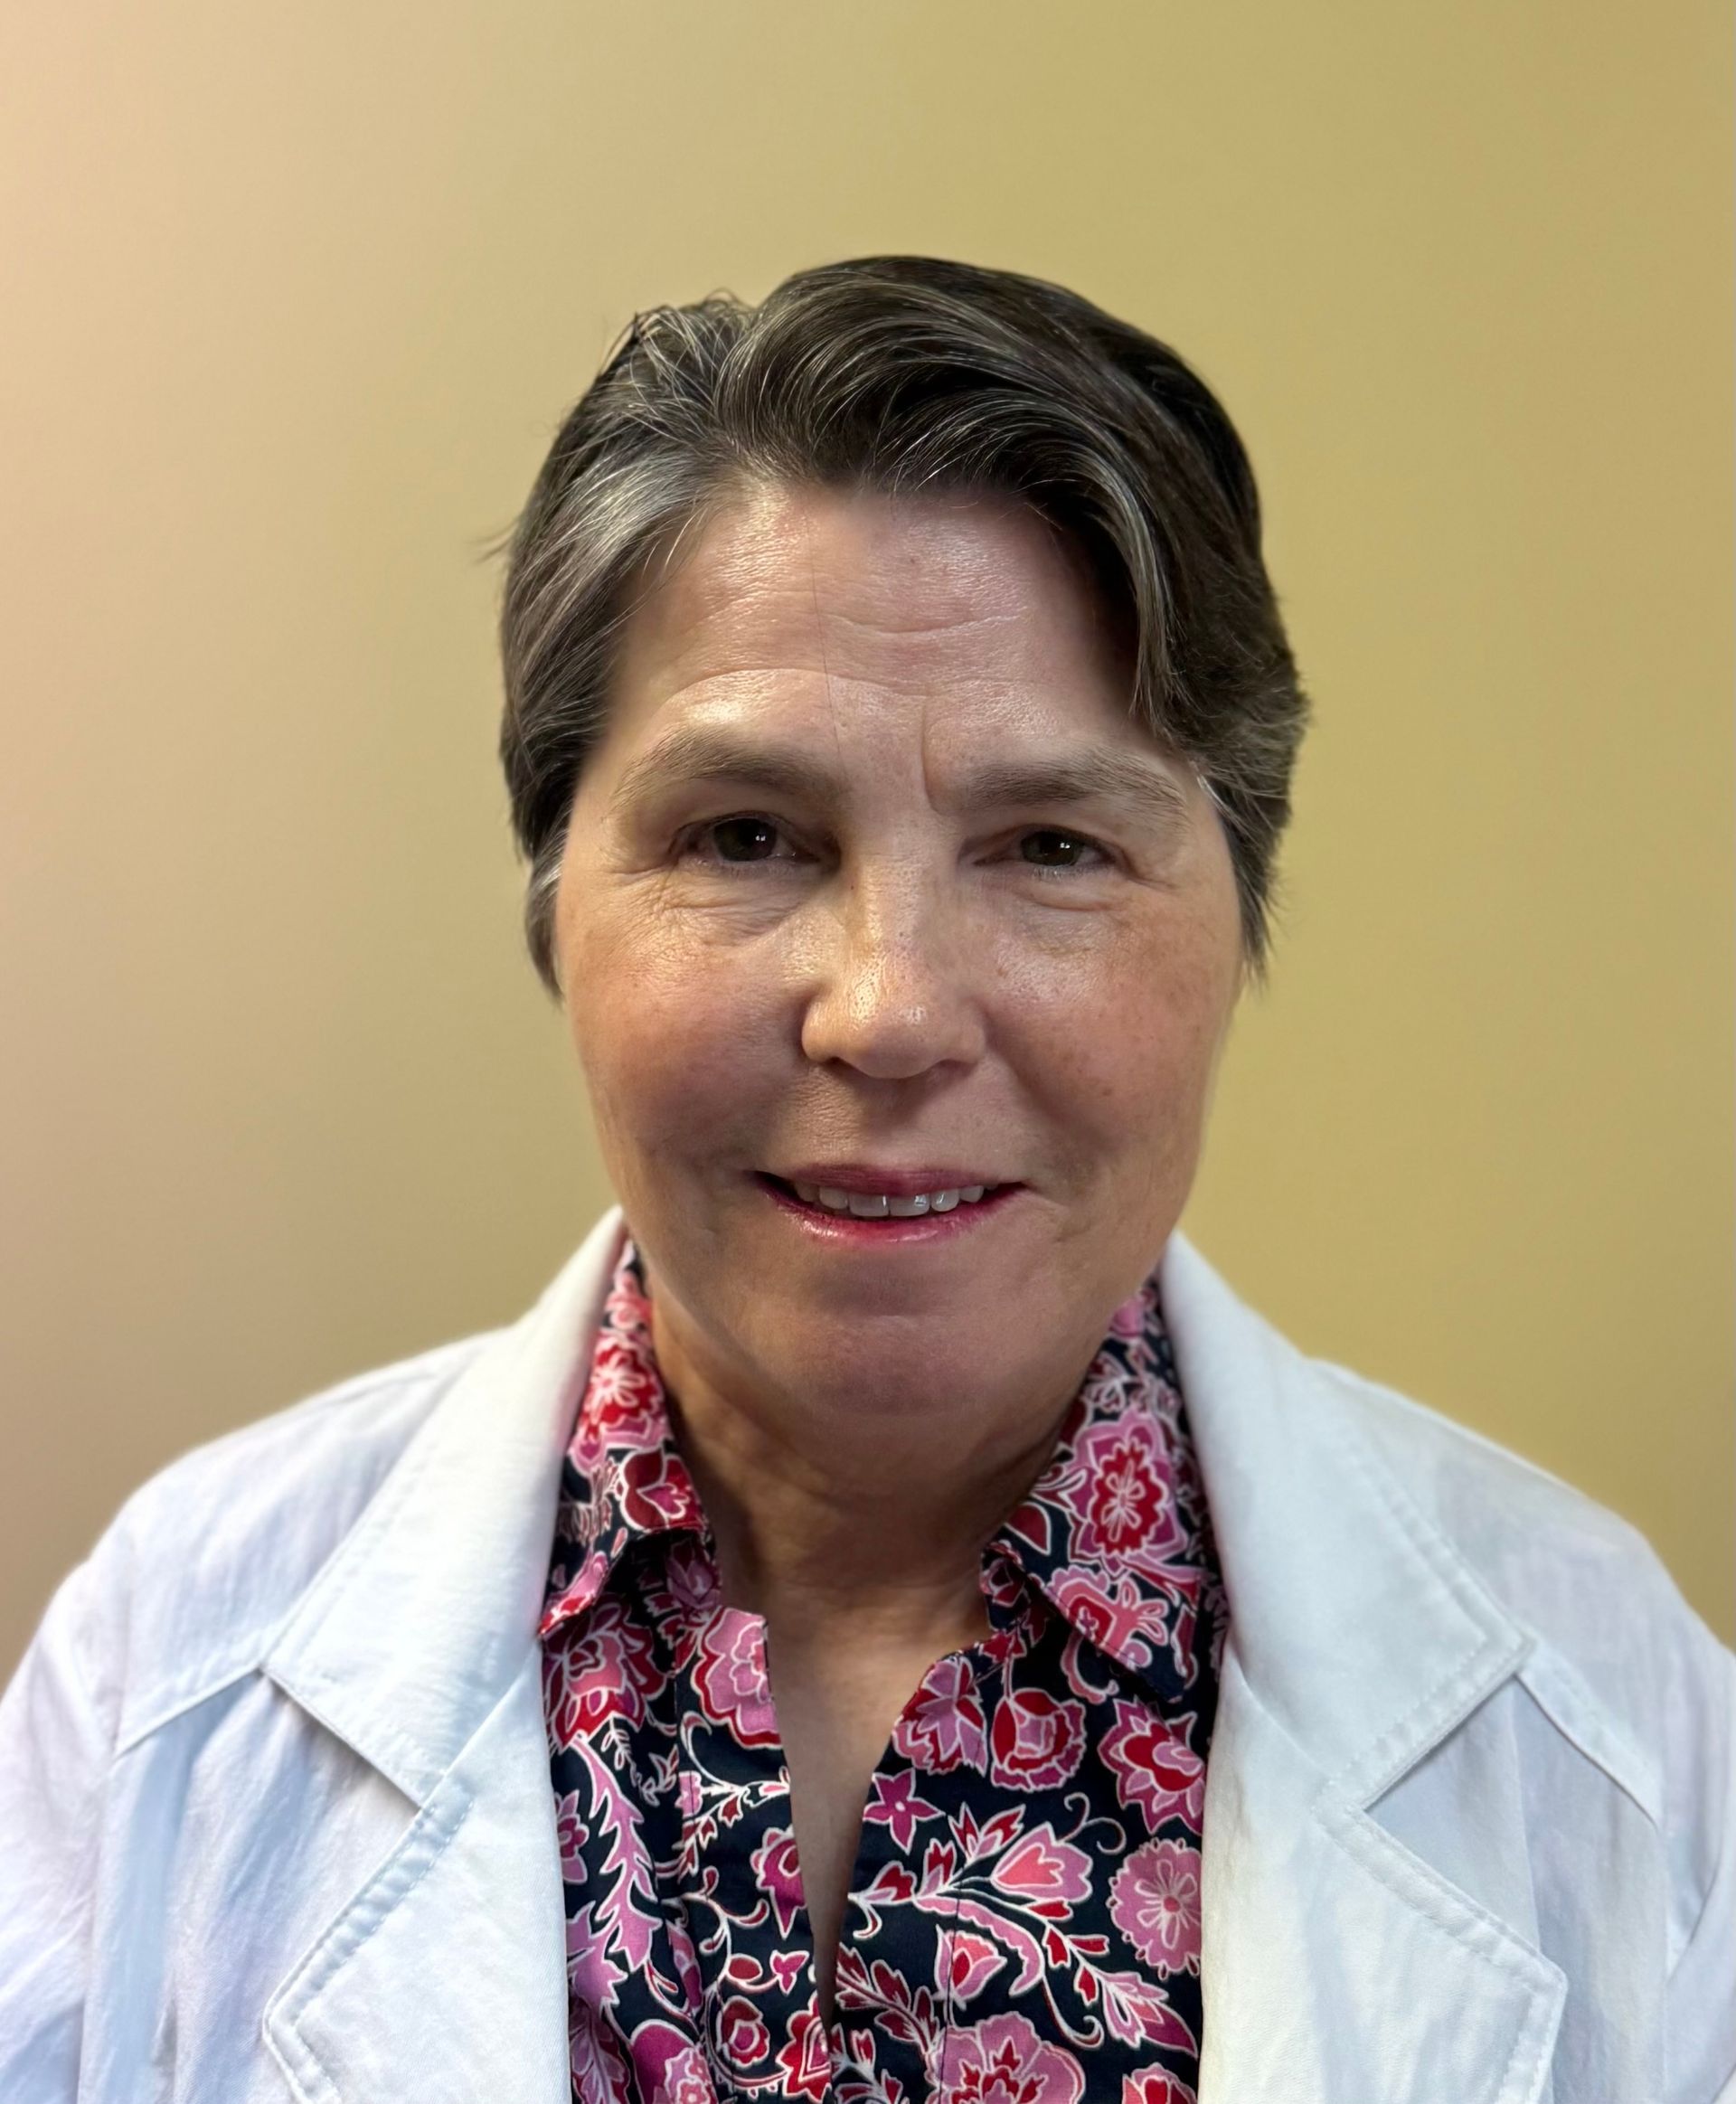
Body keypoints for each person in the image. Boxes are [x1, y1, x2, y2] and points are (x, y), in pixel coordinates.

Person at [0, 257, 1730, 2104]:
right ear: (550, 906)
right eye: (745, 835)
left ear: (1236, 922)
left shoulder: (1613, 1723)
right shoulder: (166, 1663)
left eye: (1052, 845)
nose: (890, 1012)